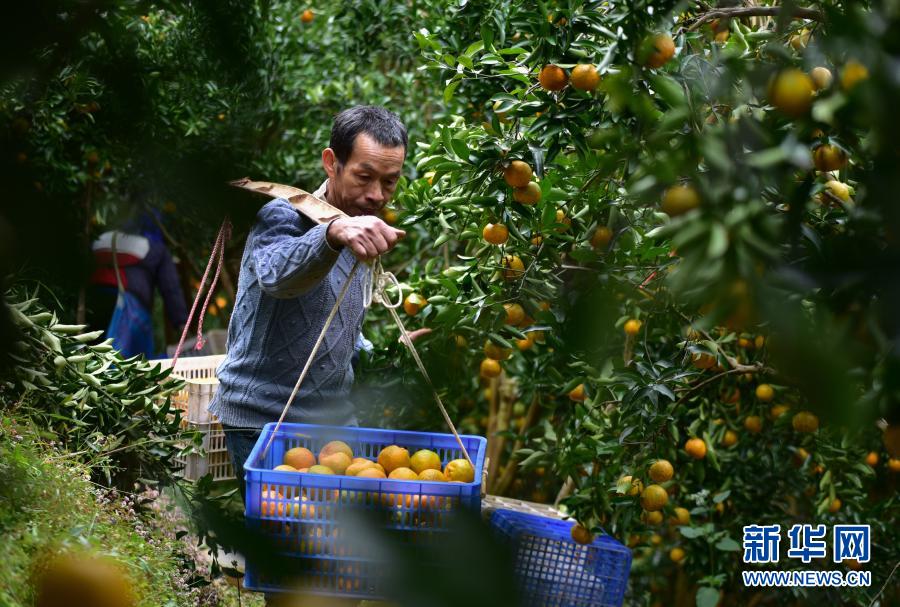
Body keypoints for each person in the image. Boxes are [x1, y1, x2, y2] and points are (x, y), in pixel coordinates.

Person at [209, 106, 409, 486]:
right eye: (364, 177)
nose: (375, 195)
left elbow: (332, 325)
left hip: (335, 427)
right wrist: (333, 235)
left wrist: (380, 354)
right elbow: (276, 277)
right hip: (264, 420)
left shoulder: (359, 229)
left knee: (334, 541)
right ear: (331, 163)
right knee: (285, 538)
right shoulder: (283, 217)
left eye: (389, 182)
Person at [87, 214, 188, 359]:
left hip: (92, 303)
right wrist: (181, 322)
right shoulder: (155, 248)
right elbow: (171, 288)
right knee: (132, 362)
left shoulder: (100, 239)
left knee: (93, 357)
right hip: (129, 307)